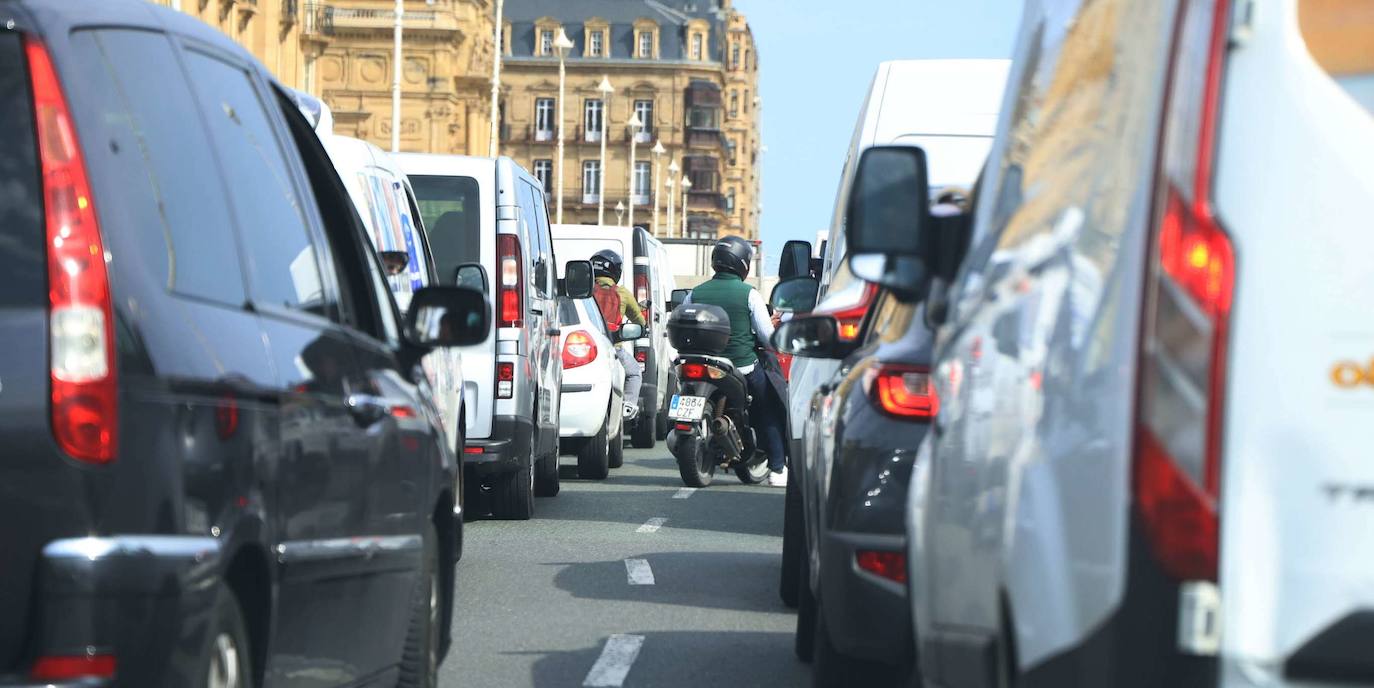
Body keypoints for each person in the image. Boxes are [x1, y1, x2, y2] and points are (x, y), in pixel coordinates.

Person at [684, 236, 789, 487]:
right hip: (741, 367)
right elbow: (767, 337)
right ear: (743, 263)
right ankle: (777, 468)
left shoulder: (694, 293)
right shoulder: (749, 294)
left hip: (699, 363)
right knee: (770, 407)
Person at [589, 248, 646, 421]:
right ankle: (627, 407)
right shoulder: (622, 293)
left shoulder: (583, 290)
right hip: (613, 348)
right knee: (635, 372)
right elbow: (640, 322)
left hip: (587, 346)